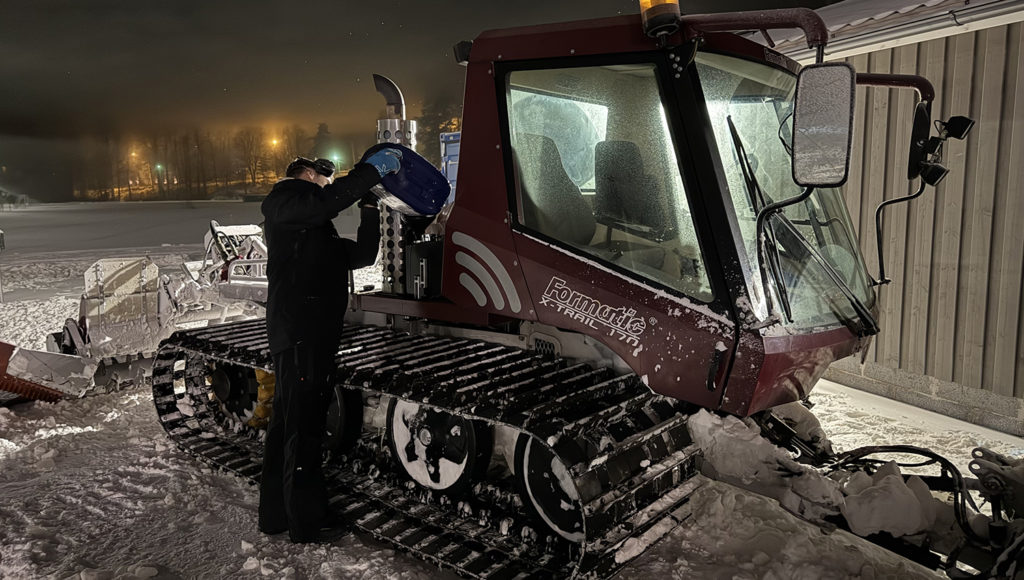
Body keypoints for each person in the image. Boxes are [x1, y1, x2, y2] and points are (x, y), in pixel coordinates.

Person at [258, 148, 401, 544]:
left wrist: (370, 207)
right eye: (323, 179)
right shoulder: (283, 200)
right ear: (305, 176)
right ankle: (306, 522)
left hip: (308, 333)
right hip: (302, 332)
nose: (328, 186)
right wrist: (369, 173)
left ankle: (277, 515)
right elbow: (324, 203)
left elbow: (361, 254)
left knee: (289, 425)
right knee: (303, 430)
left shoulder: (311, 230)